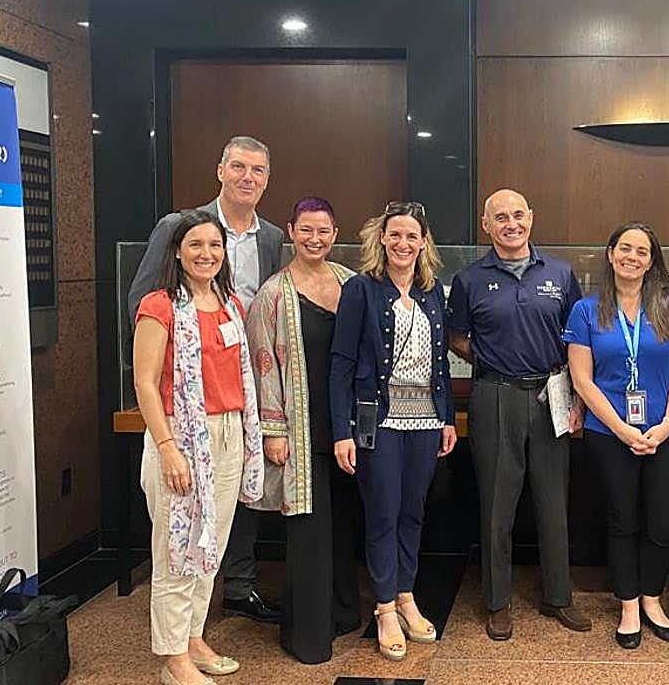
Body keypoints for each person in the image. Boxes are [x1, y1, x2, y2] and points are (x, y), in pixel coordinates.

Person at [128, 135, 283, 623]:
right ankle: (180, 633)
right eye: (238, 167)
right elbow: (142, 300)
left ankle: (235, 588)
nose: (247, 178)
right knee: (181, 523)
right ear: (220, 170)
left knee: (233, 498)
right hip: (185, 403)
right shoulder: (183, 227)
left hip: (243, 392)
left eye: (258, 170)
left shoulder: (273, 238)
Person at [447, 189, 591, 641]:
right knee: (496, 505)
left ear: (531, 218)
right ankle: (498, 602)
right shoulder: (470, 278)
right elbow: (456, 338)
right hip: (495, 394)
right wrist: (493, 359)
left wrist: (577, 400)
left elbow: (578, 339)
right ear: (486, 225)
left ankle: (559, 597)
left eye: (518, 215)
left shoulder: (561, 274)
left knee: (553, 500)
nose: (511, 224)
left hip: (551, 393)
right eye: (500, 218)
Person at [132, 210, 264, 685]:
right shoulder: (159, 305)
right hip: (182, 436)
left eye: (214, 245)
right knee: (177, 550)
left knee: (211, 545)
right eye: (195, 246)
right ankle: (172, 659)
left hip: (228, 435)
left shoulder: (230, 303)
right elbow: (145, 383)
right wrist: (168, 448)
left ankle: (192, 638)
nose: (206, 254)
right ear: (177, 252)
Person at [330, 201, 457, 661]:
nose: (403, 244)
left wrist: (445, 416)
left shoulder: (431, 292)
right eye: (395, 235)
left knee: (413, 511)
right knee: (381, 512)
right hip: (376, 421)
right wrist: (342, 430)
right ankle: (384, 606)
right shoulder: (361, 290)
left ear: (423, 243)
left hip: (424, 419)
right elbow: (341, 363)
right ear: (382, 239)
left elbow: (440, 363)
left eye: (412, 236)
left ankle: (407, 595)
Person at [564, 221, 669, 650]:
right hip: (608, 432)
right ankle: (628, 607)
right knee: (622, 521)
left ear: (652, 259)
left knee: (663, 519)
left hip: (667, 432)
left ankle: (653, 599)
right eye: (625, 248)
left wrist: (667, 423)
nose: (632, 257)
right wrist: (622, 429)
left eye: (642, 251)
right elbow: (582, 380)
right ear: (610, 253)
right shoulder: (587, 310)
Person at [245, 197, 360, 664]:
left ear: (336, 234)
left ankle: (342, 614)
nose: (315, 239)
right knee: (309, 530)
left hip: (348, 429)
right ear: (291, 231)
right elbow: (262, 367)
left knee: (343, 525)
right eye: (306, 230)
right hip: (300, 429)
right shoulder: (273, 294)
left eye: (325, 231)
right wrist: (274, 431)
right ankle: (307, 635)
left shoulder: (351, 285)